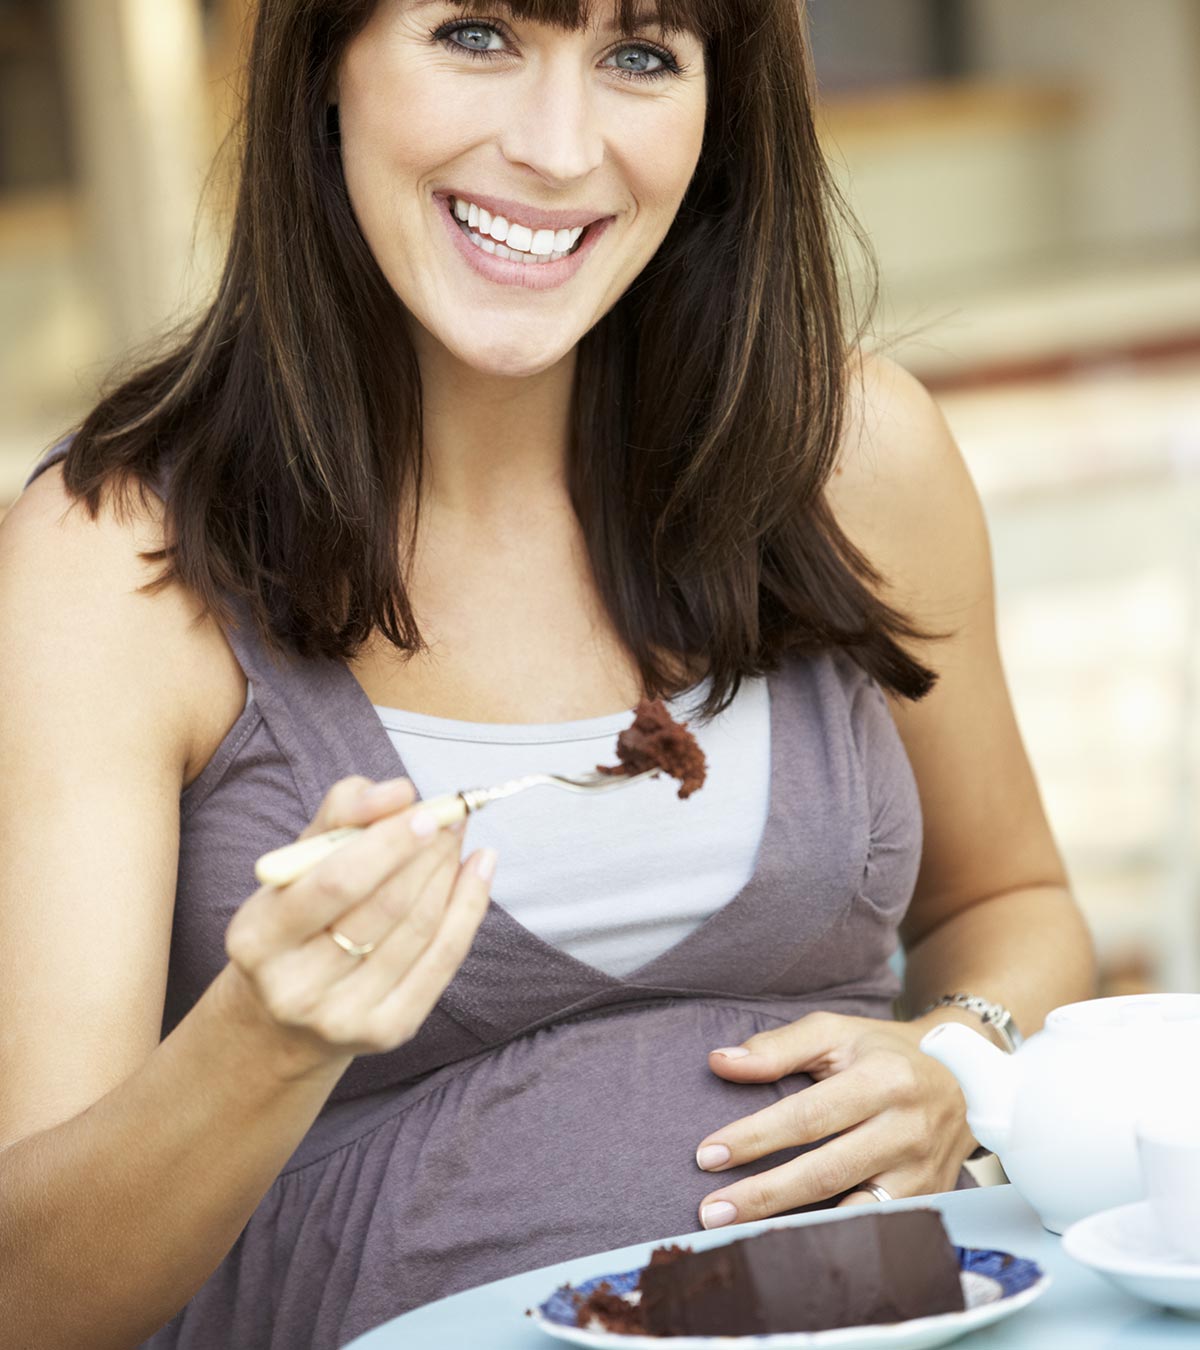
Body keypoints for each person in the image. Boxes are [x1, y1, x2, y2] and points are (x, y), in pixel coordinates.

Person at [0, 1, 1096, 1346]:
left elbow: (1015, 900)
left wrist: (956, 1058)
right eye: (475, 34)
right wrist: (264, 1043)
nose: (560, 146)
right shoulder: (113, 561)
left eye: (641, 57)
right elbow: (29, 1298)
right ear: (324, 65)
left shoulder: (855, 460)